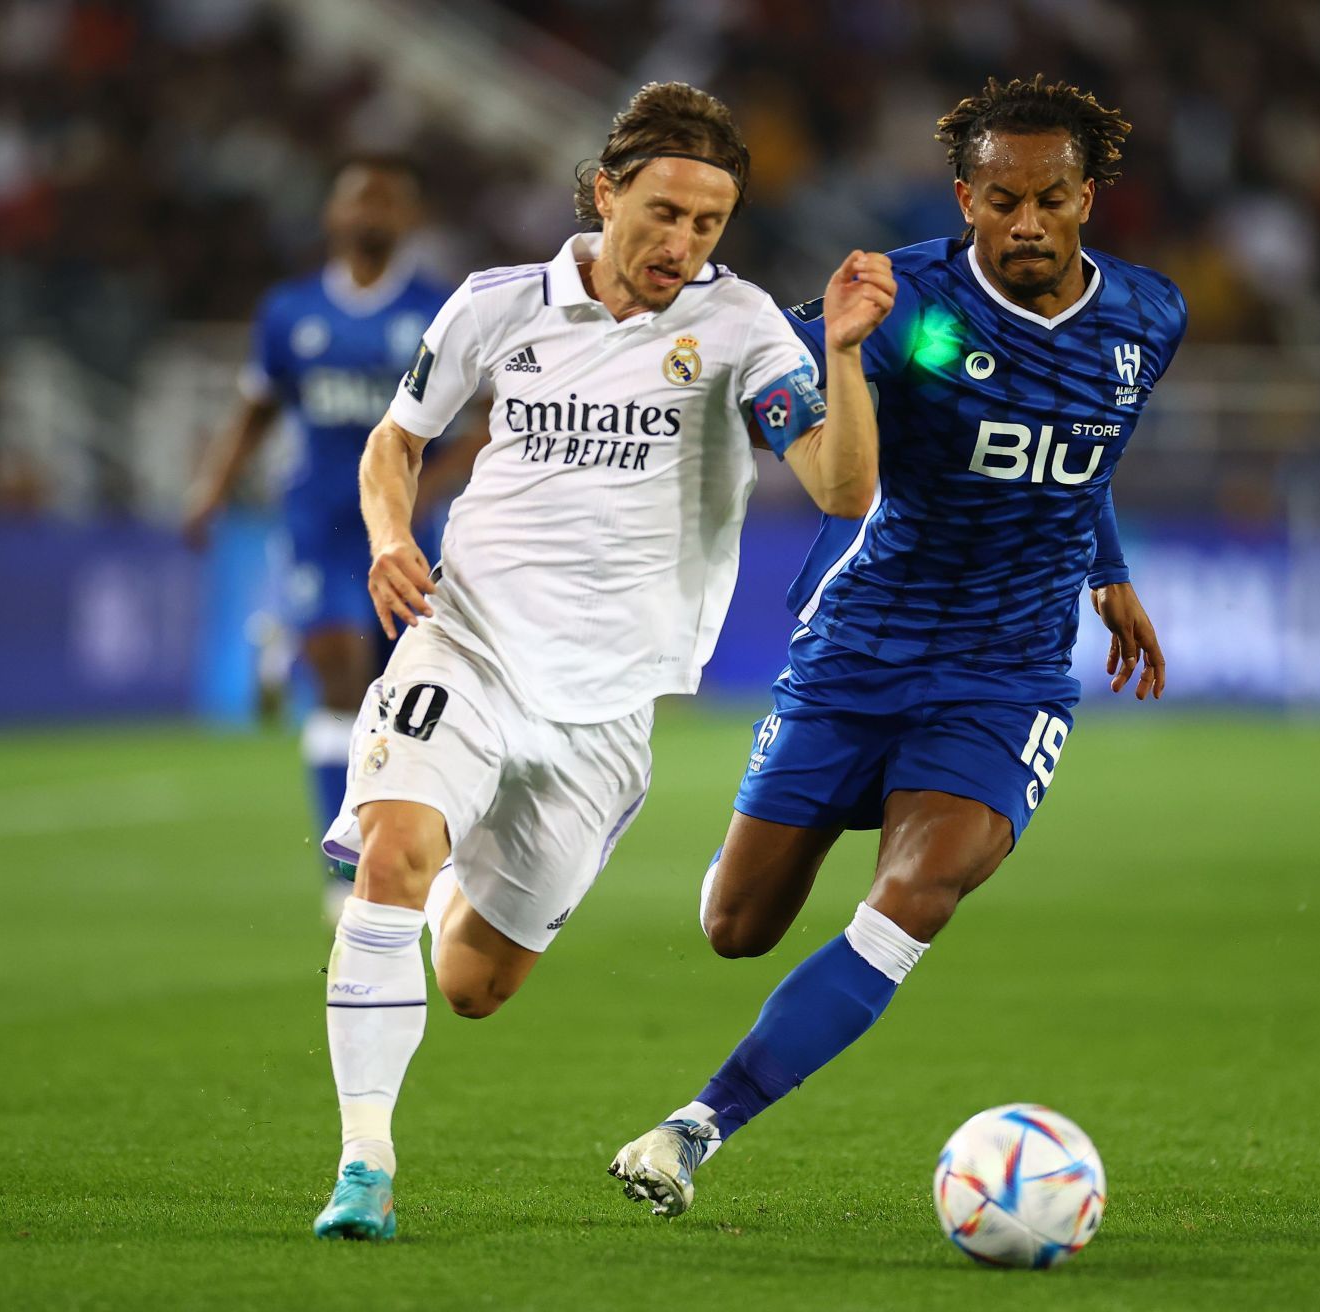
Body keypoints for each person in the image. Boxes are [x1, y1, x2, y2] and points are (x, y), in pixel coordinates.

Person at [307, 82, 897, 1241]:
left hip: (605, 710)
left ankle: (454, 849)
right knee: (391, 856)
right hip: (465, 644)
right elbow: (397, 440)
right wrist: (389, 538)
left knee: (474, 985)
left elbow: (842, 486)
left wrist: (841, 355)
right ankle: (363, 1164)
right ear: (605, 191)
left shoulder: (742, 334)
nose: (683, 244)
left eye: (709, 225)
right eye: (665, 212)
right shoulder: (493, 307)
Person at [608, 73, 1182, 1218]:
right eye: (1001, 199)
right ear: (963, 197)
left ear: (1089, 197)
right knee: (735, 925)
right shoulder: (899, 297)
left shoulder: (1148, 317)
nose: (1027, 223)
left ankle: (695, 1125)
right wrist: (846, 351)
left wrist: (1106, 569)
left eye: (1052, 199)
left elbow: (1088, 446)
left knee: (915, 895)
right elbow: (823, 450)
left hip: (1007, 671)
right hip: (863, 643)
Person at [183, 157, 478, 914]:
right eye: (358, 199)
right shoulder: (290, 312)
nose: (371, 211)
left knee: (402, 695)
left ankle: (411, 850)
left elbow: (481, 421)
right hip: (319, 521)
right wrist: (211, 491)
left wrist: (427, 491)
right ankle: (343, 872)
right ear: (331, 218)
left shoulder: (438, 310)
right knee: (341, 680)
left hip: (410, 533)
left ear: (411, 220)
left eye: (388, 199)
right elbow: (258, 408)